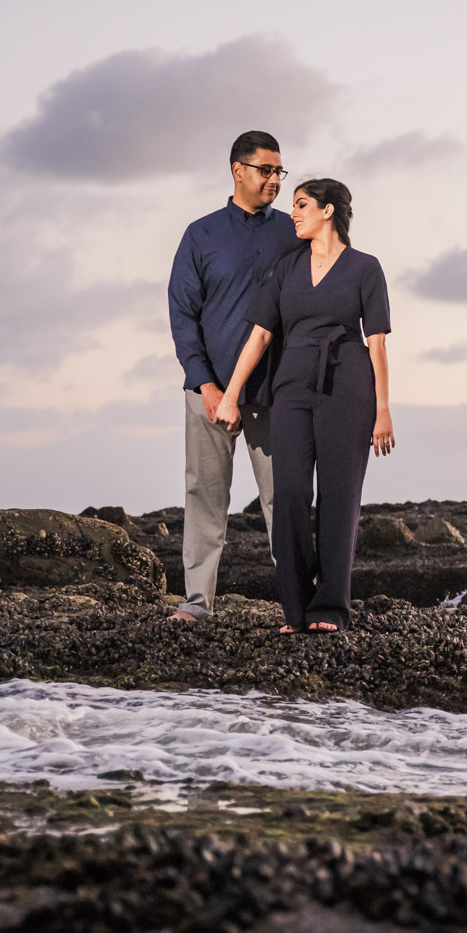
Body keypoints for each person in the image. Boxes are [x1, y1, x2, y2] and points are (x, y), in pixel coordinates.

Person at [215, 178, 395, 633]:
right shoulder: (287, 267)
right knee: (291, 494)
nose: (292, 213)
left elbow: (376, 345)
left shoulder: (365, 268)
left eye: (301, 205)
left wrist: (383, 410)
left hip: (348, 387)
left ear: (328, 211)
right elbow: (259, 335)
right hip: (292, 388)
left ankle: (331, 608)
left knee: (340, 499)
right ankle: (296, 610)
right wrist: (232, 394)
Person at [165, 131, 298, 622]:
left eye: (280, 172)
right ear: (238, 171)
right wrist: (207, 386)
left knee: (283, 500)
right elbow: (183, 316)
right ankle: (198, 604)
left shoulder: (293, 232)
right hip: (209, 392)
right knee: (204, 495)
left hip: (275, 392)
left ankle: (297, 605)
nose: (275, 181)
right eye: (266, 170)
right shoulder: (200, 235)